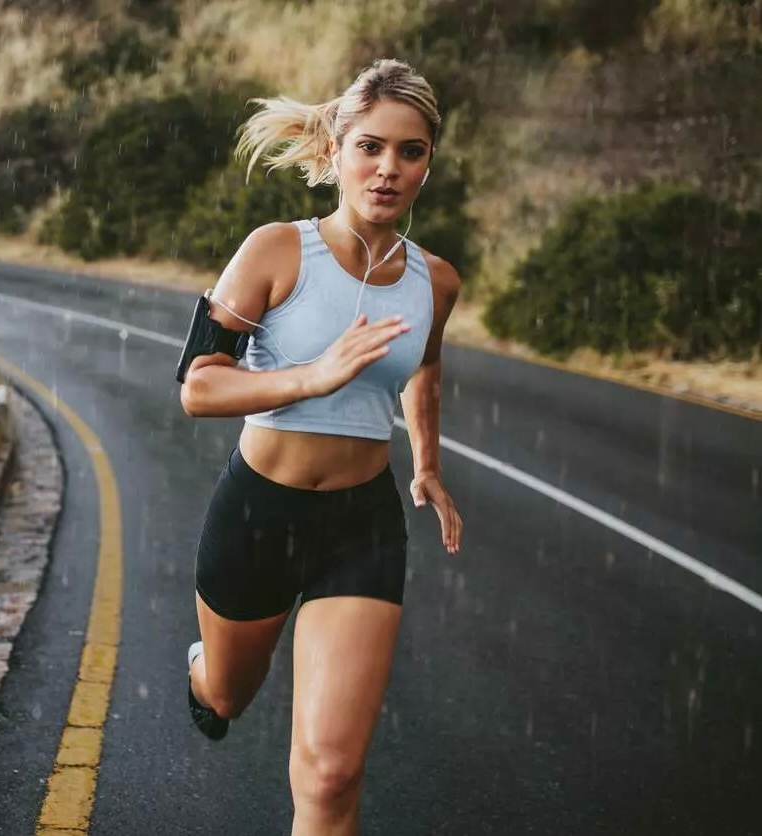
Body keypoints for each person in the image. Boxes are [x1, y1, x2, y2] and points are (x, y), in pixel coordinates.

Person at [177, 58, 463, 836]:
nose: (389, 169)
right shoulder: (274, 251)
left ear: (428, 163)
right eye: (371, 146)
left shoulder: (435, 281)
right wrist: (309, 377)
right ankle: (203, 675)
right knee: (231, 697)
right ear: (336, 150)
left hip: (360, 530)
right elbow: (199, 386)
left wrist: (428, 464)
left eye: (411, 152)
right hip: (257, 515)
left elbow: (425, 365)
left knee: (332, 772)